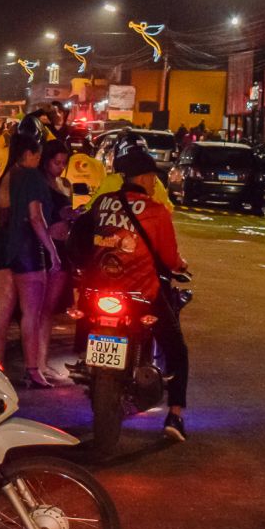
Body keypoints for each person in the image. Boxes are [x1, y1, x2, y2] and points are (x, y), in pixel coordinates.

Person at [80, 147, 191, 442]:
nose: (155, 183)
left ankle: (85, 364)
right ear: (142, 178)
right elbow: (169, 258)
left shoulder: (103, 202)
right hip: (140, 293)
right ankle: (175, 414)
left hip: (99, 290)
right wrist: (181, 266)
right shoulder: (155, 211)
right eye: (153, 178)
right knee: (177, 349)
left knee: (85, 321)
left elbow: (81, 236)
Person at [0, 134, 61, 389]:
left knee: (2, 310)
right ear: (29, 154)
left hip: (3, 248)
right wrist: (51, 249)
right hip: (27, 249)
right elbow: (35, 217)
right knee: (31, 313)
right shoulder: (32, 177)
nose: (39, 159)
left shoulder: (5, 176)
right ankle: (33, 370)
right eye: (38, 154)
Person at [38, 139, 76, 378]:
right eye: (57, 162)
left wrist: (71, 214)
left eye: (64, 163)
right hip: (45, 248)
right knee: (41, 309)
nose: (61, 167)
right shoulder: (39, 184)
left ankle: (41, 362)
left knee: (49, 310)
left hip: (61, 247)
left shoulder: (62, 184)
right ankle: (38, 363)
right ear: (46, 161)